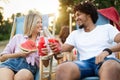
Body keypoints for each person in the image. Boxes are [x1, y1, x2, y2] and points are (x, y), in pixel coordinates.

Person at [49, 1, 120, 80]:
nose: (76, 18)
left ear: (88, 14)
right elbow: (63, 48)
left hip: (106, 61)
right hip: (84, 64)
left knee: (111, 66)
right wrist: (58, 48)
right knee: (62, 68)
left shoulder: (107, 28)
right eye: (75, 16)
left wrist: (107, 51)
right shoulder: (75, 34)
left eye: (78, 15)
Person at [0, 11, 45, 80]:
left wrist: (44, 53)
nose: (41, 25)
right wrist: (19, 54)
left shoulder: (43, 40)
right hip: (10, 64)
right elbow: (2, 58)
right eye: (38, 22)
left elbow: (45, 63)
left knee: (21, 77)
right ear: (30, 24)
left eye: (41, 22)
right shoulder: (17, 37)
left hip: (28, 68)